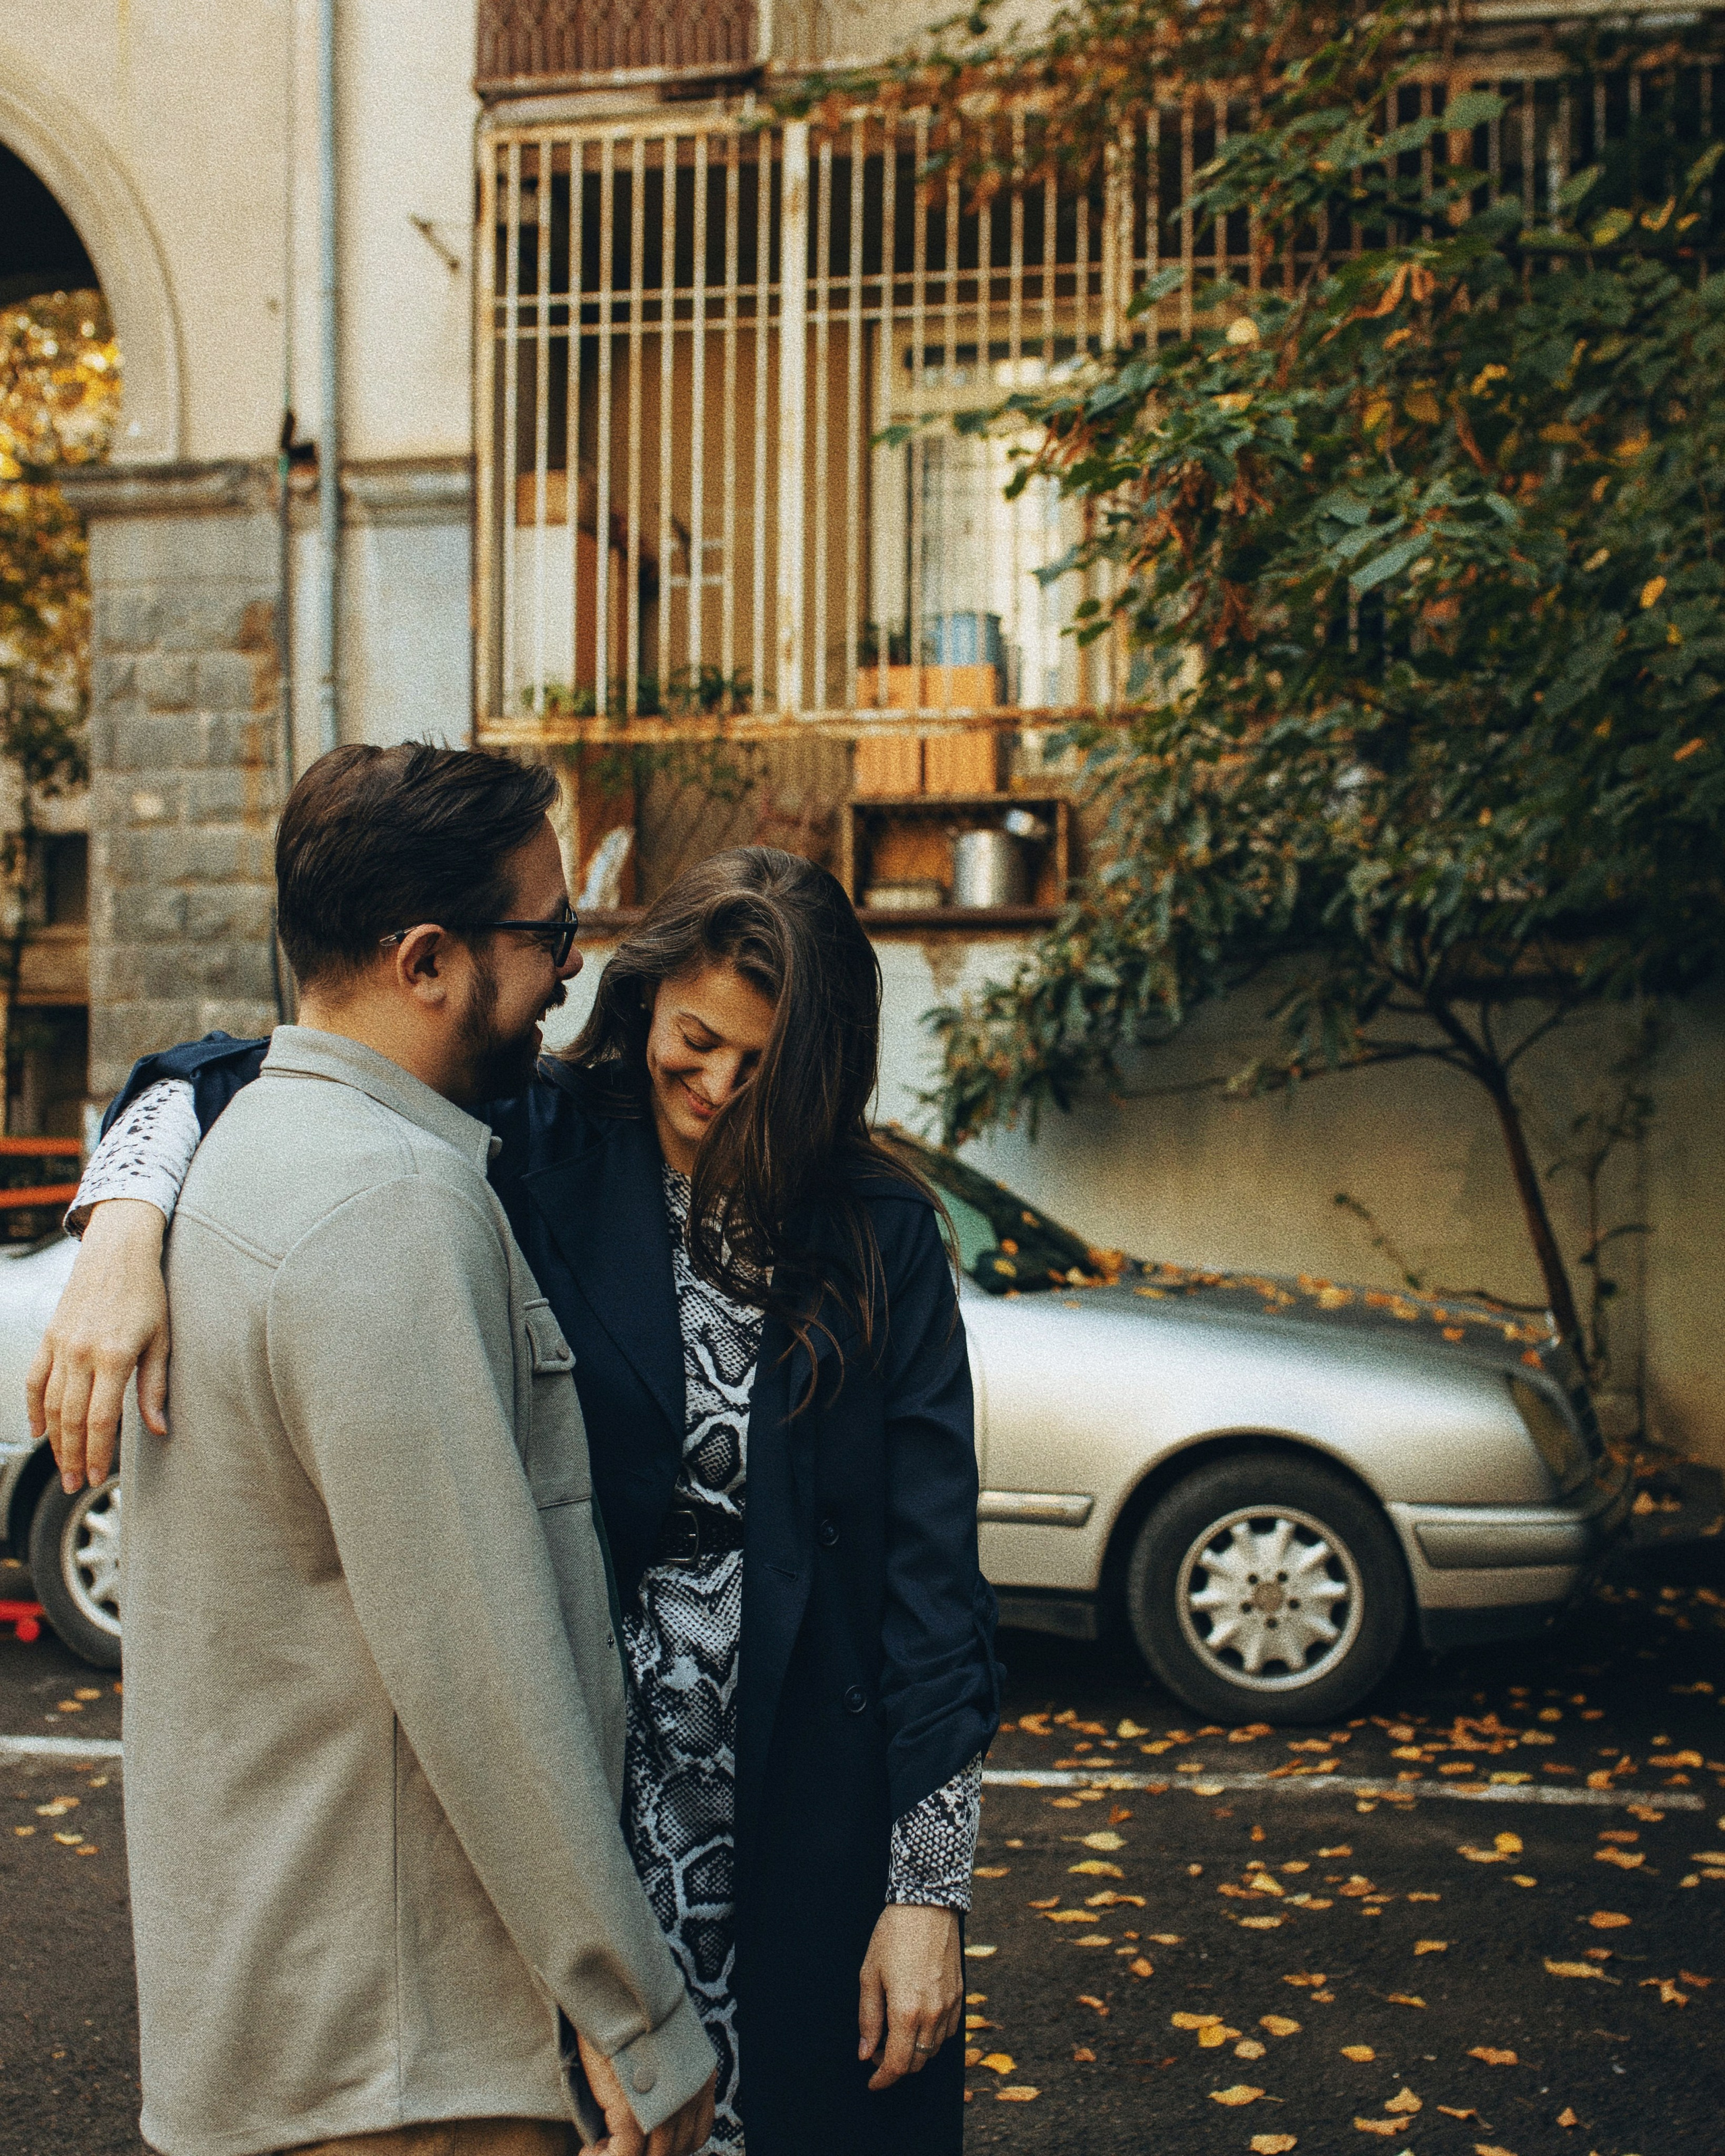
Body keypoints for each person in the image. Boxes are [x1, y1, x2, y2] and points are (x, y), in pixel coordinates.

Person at [38, 843, 1000, 2156]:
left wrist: (927, 1895)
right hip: (580, 1793)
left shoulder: (880, 1228)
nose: (717, 1086)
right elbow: (221, 1074)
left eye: (761, 1062)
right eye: (695, 1040)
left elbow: (932, 1582)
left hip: (807, 1801)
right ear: (642, 994)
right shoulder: (535, 1137)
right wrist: (124, 1219)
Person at [34, 743, 718, 2156]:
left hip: (324, 2022)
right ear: (424, 960)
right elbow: (477, 1657)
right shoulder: (388, 1204)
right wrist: (635, 2010)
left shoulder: (280, 1161)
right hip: (402, 2045)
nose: (569, 979)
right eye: (547, 936)